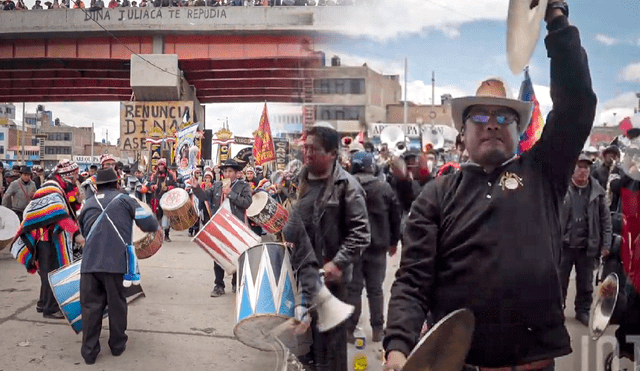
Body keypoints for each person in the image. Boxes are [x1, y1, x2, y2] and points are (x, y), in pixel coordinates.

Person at [383, 2, 597, 369]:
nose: (492, 123)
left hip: (534, 364)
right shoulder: (438, 193)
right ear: (462, 134)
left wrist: (556, 19)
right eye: (479, 116)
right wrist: (398, 349)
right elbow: (412, 279)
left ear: (519, 130)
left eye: (505, 116)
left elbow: (576, 103)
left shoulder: (544, 171)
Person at [295, 123, 370, 371]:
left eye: (313, 149)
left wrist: (336, 263)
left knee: (332, 351)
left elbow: (361, 233)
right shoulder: (303, 181)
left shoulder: (348, 186)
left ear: (331, 154)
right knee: (309, 348)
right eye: (305, 148)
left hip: (337, 286)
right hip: (308, 278)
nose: (307, 154)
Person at [78, 168, 159, 365]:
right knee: (116, 306)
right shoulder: (126, 200)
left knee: (90, 308)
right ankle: (116, 346)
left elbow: (81, 230)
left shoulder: (87, 204)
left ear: (97, 186)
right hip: (115, 263)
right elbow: (150, 224)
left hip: (89, 264)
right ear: (117, 183)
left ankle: (89, 352)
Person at [10, 159, 84, 319]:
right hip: (45, 240)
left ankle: (43, 303)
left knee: (47, 273)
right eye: (75, 175)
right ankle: (50, 308)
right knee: (52, 273)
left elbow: (67, 209)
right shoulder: (51, 188)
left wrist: (77, 202)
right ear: (68, 175)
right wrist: (77, 234)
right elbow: (59, 215)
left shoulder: (58, 188)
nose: (76, 178)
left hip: (48, 240)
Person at [345, 151, 401, 343]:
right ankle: (378, 330)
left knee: (354, 289)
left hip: (353, 248)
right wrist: (394, 241)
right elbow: (396, 216)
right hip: (378, 247)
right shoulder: (383, 187)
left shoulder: (346, 185)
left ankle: (349, 330)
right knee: (375, 290)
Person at [558, 154, 611, 326]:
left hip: (587, 246)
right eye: (579, 167)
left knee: (586, 283)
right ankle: (557, 310)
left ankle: (582, 311)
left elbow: (606, 221)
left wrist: (606, 245)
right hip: (564, 245)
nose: (583, 171)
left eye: (586, 167)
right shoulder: (562, 189)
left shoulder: (598, 193)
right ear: (572, 169)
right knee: (560, 281)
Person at [193, 159, 252, 297]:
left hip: (235, 224)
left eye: (230, 171)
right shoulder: (217, 185)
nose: (227, 174)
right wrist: (196, 188)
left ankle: (235, 283)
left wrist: (231, 193)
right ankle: (219, 285)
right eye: (225, 171)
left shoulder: (243, 186)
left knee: (236, 255)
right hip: (219, 224)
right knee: (218, 256)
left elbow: (247, 202)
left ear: (237, 173)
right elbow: (205, 196)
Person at [146, 158, 176, 242]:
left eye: (162, 165)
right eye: (159, 165)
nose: (160, 167)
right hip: (157, 198)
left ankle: (166, 235)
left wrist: (168, 188)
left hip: (167, 198)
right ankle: (158, 235)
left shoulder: (170, 175)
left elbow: (176, 185)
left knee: (167, 216)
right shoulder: (154, 175)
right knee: (157, 217)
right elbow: (149, 185)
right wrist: (153, 187)